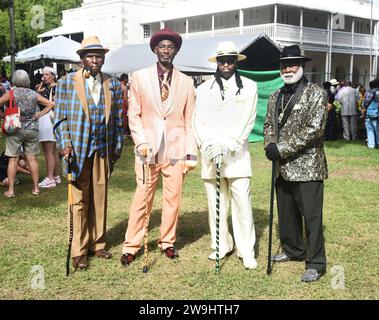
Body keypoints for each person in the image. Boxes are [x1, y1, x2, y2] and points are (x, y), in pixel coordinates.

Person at [120, 28, 197, 266]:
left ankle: (167, 242)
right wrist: (141, 141)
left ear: (176, 51)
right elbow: (133, 114)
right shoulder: (139, 77)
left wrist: (190, 153)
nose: (166, 50)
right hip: (147, 149)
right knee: (142, 196)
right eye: (162, 46)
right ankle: (131, 245)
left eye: (170, 47)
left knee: (173, 198)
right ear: (155, 49)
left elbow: (190, 119)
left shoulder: (186, 81)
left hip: (175, 148)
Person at [54, 36, 124, 270]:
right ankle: (79, 249)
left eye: (99, 56)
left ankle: (98, 243)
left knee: (99, 197)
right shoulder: (65, 83)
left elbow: (116, 120)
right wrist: (65, 144)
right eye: (90, 56)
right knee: (78, 200)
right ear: (82, 59)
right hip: (77, 150)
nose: (95, 60)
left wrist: (116, 148)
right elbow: (60, 119)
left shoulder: (112, 84)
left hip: (102, 149)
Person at [263, 45, 328, 282]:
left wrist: (280, 148)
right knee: (287, 214)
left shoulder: (317, 93)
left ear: (302, 66)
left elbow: (314, 130)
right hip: (282, 167)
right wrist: (269, 144)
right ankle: (293, 250)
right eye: (284, 65)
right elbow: (269, 124)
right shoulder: (274, 95)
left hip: (308, 166)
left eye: (292, 64)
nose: (288, 69)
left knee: (312, 218)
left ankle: (316, 263)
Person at [192, 41, 258, 269]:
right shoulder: (202, 89)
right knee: (216, 204)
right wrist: (208, 145)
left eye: (231, 60)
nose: (227, 64)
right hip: (212, 156)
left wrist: (230, 145)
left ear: (236, 62)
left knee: (242, 202)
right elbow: (197, 120)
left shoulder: (250, 87)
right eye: (222, 60)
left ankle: (246, 249)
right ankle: (221, 245)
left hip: (237, 155)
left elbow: (248, 120)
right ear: (217, 63)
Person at [0, 70, 54, 197]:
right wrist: (39, 114)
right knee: (32, 159)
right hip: (32, 129)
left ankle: (11, 190)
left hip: (15, 129)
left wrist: (3, 115)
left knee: (13, 159)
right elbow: (50, 104)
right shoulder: (33, 93)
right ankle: (36, 188)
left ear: (15, 80)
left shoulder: (11, 93)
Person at [37, 66, 61, 188]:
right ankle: (55, 176)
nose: (44, 77)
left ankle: (50, 178)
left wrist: (40, 113)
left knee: (48, 151)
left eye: (46, 74)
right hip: (49, 120)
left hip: (48, 120)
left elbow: (54, 104)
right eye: (43, 75)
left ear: (53, 75)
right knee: (53, 151)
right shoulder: (47, 88)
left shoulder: (55, 88)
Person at [362, 78, 379, 149]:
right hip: (377, 113)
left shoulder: (368, 92)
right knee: (377, 129)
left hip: (369, 113)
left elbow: (365, 103)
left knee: (370, 129)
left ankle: (371, 145)